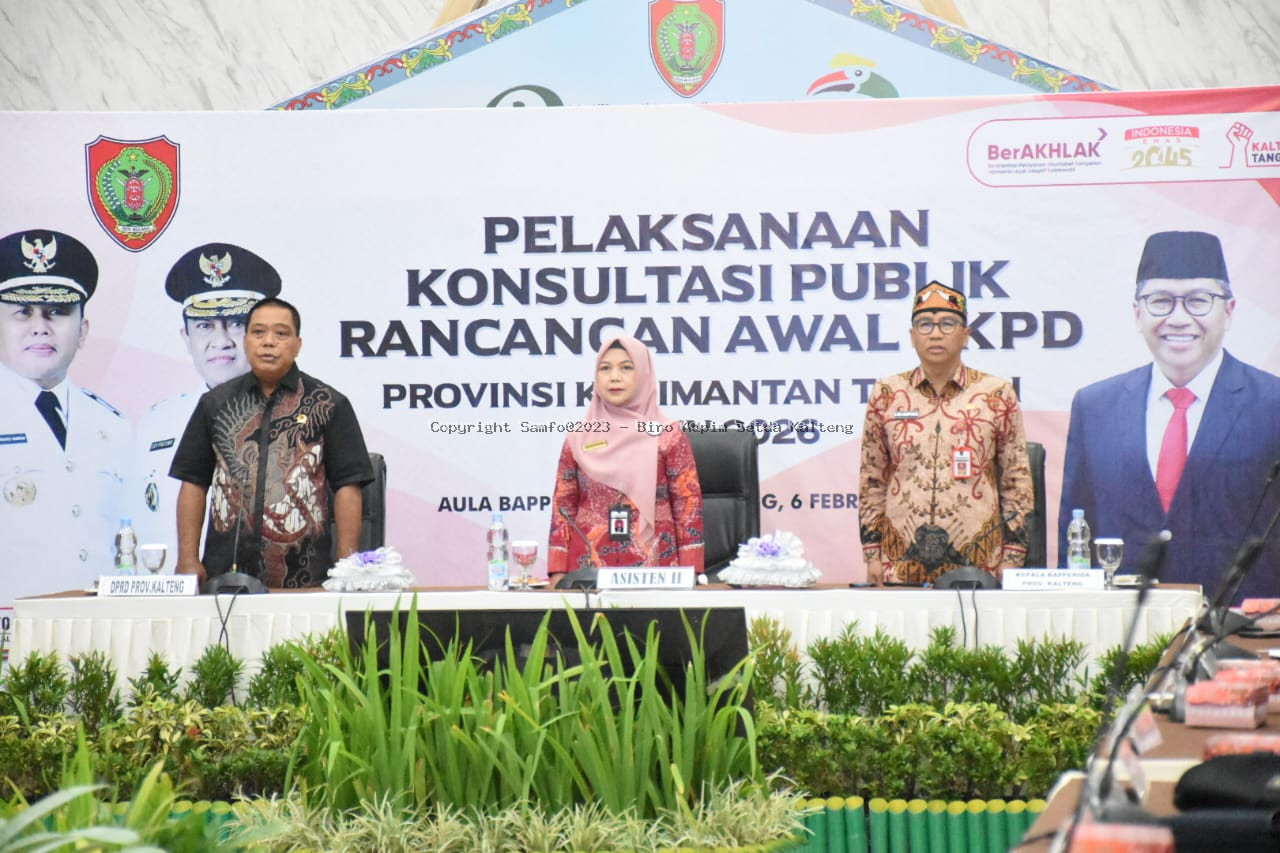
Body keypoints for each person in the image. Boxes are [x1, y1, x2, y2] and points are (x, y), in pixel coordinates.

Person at [1059, 231, 1280, 602]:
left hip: (1241, 627)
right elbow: (1076, 537)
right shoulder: (1095, 407)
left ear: (1228, 311)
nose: (1178, 318)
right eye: (1160, 301)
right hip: (1123, 626)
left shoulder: (1273, 404)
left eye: (1198, 301)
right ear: (1137, 313)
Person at [169, 296, 373, 588]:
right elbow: (193, 482)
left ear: (298, 345)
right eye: (258, 332)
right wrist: (187, 559)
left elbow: (348, 485)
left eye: (281, 333)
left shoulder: (328, 404)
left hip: (305, 580)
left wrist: (347, 564)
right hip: (225, 580)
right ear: (245, 340)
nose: (268, 342)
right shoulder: (214, 404)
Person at [859, 281, 1033, 586]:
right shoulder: (887, 394)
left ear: (965, 335)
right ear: (912, 336)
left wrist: (1013, 557)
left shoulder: (996, 394)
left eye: (947, 324)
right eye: (925, 324)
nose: (936, 333)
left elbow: (1016, 480)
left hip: (979, 566)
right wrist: (872, 554)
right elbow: (872, 479)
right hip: (900, 566)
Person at [0, 228, 131, 602]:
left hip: (99, 621)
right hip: (12, 621)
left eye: (57, 312)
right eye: (22, 312)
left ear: (83, 331)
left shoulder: (113, 424)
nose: (40, 327)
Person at [132, 242, 282, 562]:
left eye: (236, 323)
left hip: (264, 586)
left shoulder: (297, 412)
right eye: (205, 326)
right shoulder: (158, 423)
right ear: (186, 338)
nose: (221, 341)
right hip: (176, 586)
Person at [547, 335, 704, 585]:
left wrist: (691, 573)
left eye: (626, 368)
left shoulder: (668, 436)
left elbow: (688, 508)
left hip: (657, 575)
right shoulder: (577, 438)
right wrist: (558, 574)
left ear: (644, 374)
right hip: (586, 575)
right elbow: (562, 509)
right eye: (605, 368)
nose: (614, 377)